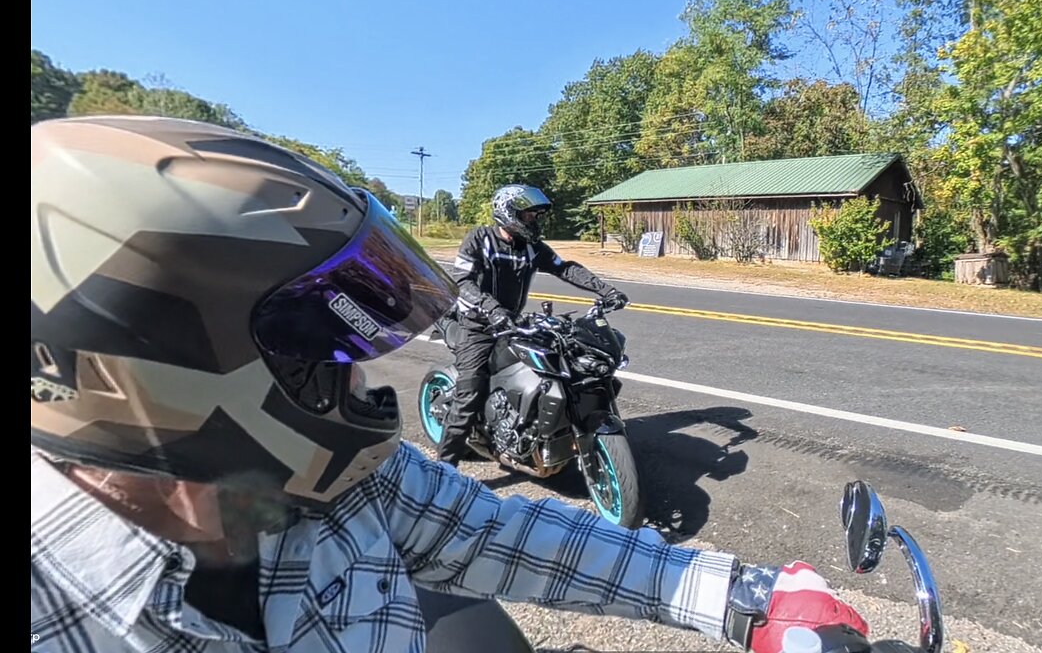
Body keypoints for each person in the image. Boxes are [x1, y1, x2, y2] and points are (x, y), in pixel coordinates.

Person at [30, 116, 868, 653]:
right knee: (466, 386)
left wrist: (739, 593)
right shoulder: (55, 606)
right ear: (148, 357)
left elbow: (494, 533)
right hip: (478, 328)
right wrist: (485, 316)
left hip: (516, 324)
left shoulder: (337, 488)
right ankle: (463, 435)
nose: (349, 371)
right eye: (309, 341)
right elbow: (466, 289)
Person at [436, 183, 628, 465]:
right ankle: (444, 470)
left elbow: (565, 268)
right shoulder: (480, 239)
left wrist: (605, 290)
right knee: (468, 396)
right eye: (528, 215)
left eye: (536, 215)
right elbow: (462, 281)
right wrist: (491, 309)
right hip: (477, 326)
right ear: (508, 213)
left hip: (511, 322)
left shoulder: (531, 247)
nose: (534, 220)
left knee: (561, 362)